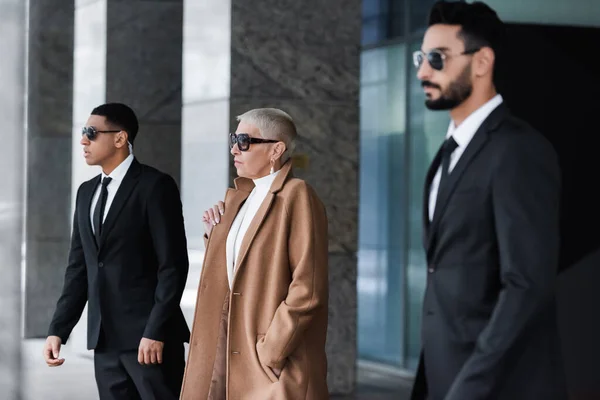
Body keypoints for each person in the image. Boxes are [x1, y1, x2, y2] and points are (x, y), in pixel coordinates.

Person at [410, 2, 567, 399]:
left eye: (436, 59)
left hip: (496, 385)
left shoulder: (518, 151)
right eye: (421, 57)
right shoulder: (447, 153)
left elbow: (527, 285)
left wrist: (471, 385)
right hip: (444, 376)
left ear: (481, 62)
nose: (422, 71)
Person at [179, 108, 329, 400]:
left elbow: (308, 288)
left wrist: (271, 349)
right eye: (234, 139)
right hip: (229, 347)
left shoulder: (296, 195)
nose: (234, 148)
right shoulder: (242, 198)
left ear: (276, 149)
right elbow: (238, 270)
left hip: (270, 363)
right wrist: (216, 232)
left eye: (245, 141)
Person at [43, 103, 190, 400]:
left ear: (120, 138)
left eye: (91, 133)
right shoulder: (86, 193)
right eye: (83, 133)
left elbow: (172, 266)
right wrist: (58, 329)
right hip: (105, 340)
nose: (83, 140)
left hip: (149, 342)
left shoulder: (155, 186)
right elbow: (79, 268)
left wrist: (155, 331)